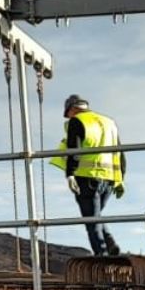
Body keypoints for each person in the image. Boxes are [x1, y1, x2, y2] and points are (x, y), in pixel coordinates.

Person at [56, 95, 124, 256]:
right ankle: (110, 243)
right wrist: (121, 179)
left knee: (91, 221)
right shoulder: (109, 123)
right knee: (95, 215)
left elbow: (75, 149)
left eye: (68, 114)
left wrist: (70, 174)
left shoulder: (77, 121)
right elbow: (119, 152)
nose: (69, 118)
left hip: (87, 178)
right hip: (108, 179)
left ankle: (102, 256)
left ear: (72, 109)